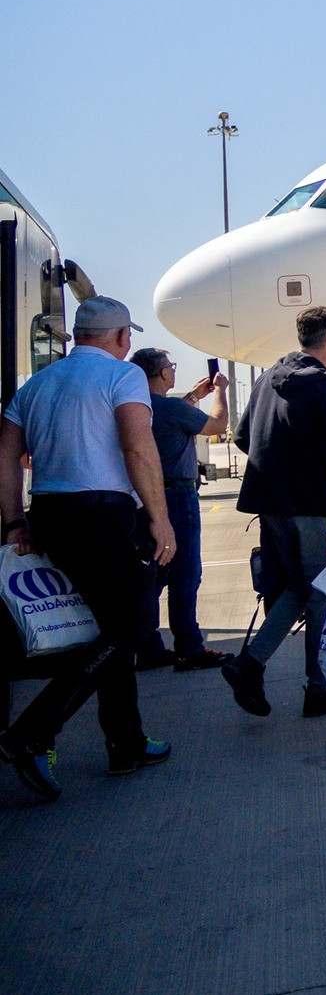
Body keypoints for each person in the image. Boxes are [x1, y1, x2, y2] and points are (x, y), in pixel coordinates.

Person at [0, 297, 178, 801]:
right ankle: (30, 733)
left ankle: (126, 743)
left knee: (109, 629)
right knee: (132, 628)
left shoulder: (36, 384)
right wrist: (160, 517)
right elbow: (138, 447)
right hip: (102, 514)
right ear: (121, 337)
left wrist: (14, 519)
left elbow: (6, 454)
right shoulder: (124, 376)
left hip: (49, 514)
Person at [220, 305, 326, 721]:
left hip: (270, 502)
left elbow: (244, 437)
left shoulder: (268, 378)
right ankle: (320, 688)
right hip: (312, 505)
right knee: (321, 593)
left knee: (300, 587)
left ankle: (250, 663)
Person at [128, 348, 230, 671]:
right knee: (185, 572)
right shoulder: (171, 408)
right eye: (171, 366)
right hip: (177, 496)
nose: (173, 370)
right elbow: (218, 424)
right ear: (162, 374)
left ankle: (148, 646)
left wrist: (193, 397)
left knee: (153, 573)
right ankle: (189, 647)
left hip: (142, 496)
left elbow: (170, 419)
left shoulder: (136, 406)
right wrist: (221, 391)